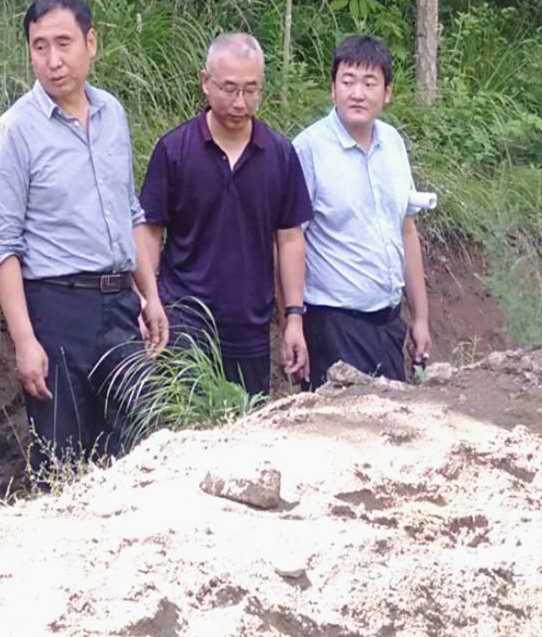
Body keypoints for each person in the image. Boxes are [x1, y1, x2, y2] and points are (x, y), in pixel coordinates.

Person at [0, 0, 170, 470]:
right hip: (56, 311)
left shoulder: (113, 114)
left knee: (141, 453)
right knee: (62, 463)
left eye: (64, 44)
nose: (53, 61)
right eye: (39, 46)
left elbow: (129, 212)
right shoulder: (15, 132)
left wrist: (150, 295)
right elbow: (2, 246)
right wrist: (25, 340)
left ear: (91, 42)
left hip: (120, 307)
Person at [135, 33, 313, 396]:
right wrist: (147, 299)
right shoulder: (174, 150)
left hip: (250, 330)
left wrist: (293, 318)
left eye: (251, 90)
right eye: (229, 88)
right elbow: (149, 231)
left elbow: (290, 239)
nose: (240, 102)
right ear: (206, 82)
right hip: (183, 327)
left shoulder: (279, 155)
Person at [292, 35, 432, 390]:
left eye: (370, 83)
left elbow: (406, 231)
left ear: (387, 93)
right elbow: (289, 241)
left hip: (389, 324)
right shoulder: (308, 150)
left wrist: (420, 318)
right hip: (333, 327)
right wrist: (292, 321)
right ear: (332, 89)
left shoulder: (393, 143)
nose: (357, 93)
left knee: (394, 417)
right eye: (348, 81)